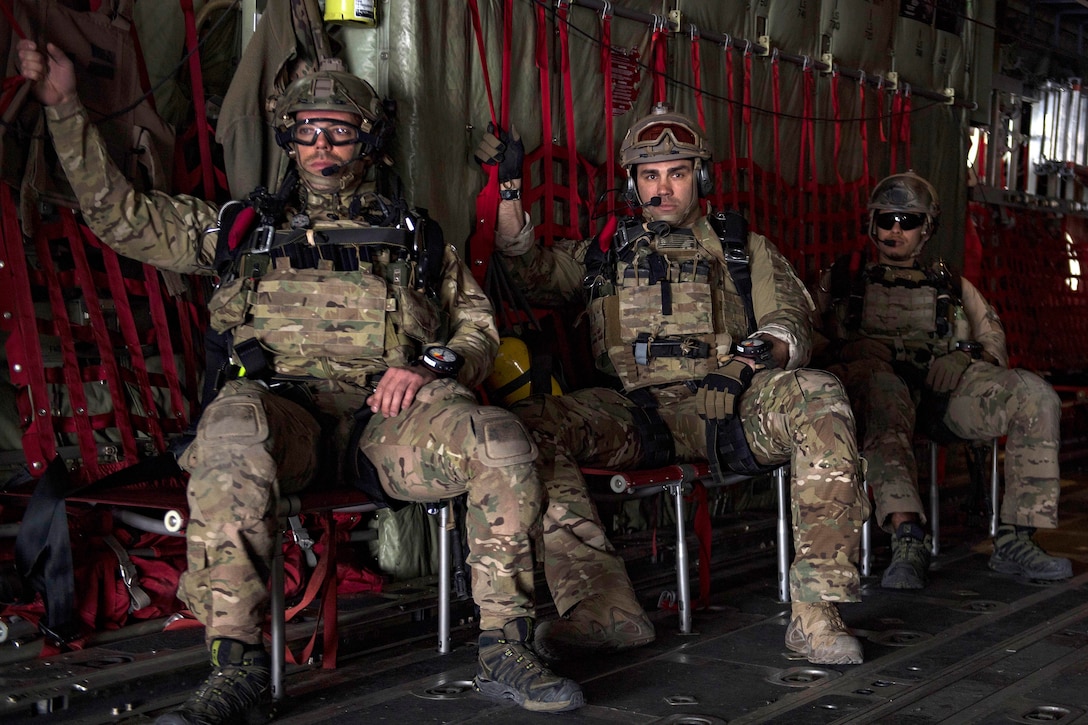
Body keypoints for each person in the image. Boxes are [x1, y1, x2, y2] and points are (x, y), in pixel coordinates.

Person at [16, 40, 586, 721]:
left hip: (386, 426)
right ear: (288, 138)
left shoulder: (416, 239)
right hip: (283, 422)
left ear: (366, 140)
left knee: (499, 437)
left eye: (339, 131)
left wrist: (430, 364)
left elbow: (477, 332)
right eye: (308, 130)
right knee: (228, 428)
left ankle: (506, 646)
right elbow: (121, 216)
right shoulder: (240, 230)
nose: (322, 145)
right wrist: (64, 108)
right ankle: (236, 667)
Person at [481, 103, 871, 665]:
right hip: (636, 413)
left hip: (732, 406)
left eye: (677, 173)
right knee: (524, 430)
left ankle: (816, 612)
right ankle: (605, 608)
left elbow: (789, 322)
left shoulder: (741, 246)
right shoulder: (605, 252)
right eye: (649, 175)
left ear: (701, 178)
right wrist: (510, 187)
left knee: (820, 394)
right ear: (633, 183)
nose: (662, 188)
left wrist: (743, 365)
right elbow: (526, 268)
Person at [814, 171, 1071, 590]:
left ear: (926, 229)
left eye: (908, 221)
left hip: (941, 398)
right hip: (875, 399)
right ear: (872, 224)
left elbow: (993, 342)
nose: (896, 230)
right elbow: (801, 338)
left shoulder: (950, 284)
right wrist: (848, 351)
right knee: (882, 392)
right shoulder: (843, 281)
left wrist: (964, 355)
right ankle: (907, 533)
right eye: (887, 220)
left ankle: (1016, 536)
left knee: (1034, 396)